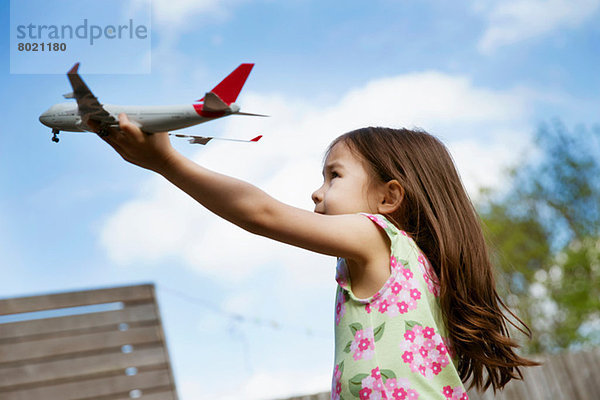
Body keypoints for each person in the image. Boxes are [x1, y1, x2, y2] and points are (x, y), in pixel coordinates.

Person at [96, 114, 538, 399]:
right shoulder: (422, 269)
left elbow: (260, 213)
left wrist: (167, 162)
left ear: (389, 197)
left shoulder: (376, 237)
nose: (316, 191)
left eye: (334, 176)